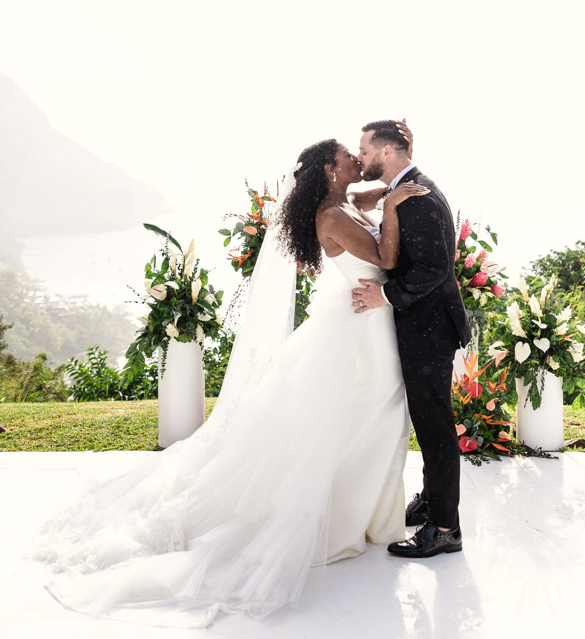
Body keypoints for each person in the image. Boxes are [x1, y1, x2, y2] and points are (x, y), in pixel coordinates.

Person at [33, 130, 428, 627]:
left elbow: (374, 192)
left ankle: (371, 515)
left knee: (372, 416)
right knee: (369, 413)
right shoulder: (330, 215)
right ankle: (353, 518)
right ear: (330, 170)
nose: (356, 158)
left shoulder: (345, 199)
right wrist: (393, 210)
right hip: (360, 326)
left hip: (367, 322)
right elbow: (387, 260)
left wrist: (394, 183)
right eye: (348, 156)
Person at [351, 119, 471, 558]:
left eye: (364, 150)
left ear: (385, 151)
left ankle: (445, 529)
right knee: (427, 422)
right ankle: (431, 502)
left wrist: (384, 294)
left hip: (430, 331)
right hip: (425, 326)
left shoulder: (417, 197)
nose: (360, 157)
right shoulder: (406, 187)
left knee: (436, 428)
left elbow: (434, 270)